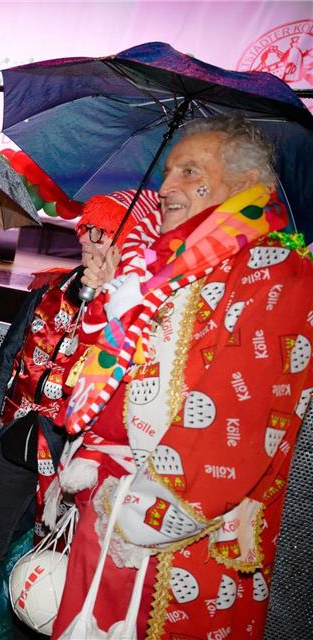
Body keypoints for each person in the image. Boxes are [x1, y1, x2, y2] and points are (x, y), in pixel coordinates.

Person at [49, 116, 313, 639]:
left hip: (178, 537)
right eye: (167, 172)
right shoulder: (159, 269)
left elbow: (236, 422)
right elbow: (95, 379)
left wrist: (141, 512)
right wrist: (103, 299)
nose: (165, 188)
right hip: (105, 504)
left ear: (243, 187)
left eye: (189, 172)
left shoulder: (279, 272)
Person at [0, 190, 157, 640]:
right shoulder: (52, 286)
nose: (90, 242)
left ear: (130, 242)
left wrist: (109, 300)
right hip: (18, 431)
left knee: (59, 553)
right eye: (88, 230)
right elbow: (10, 354)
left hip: (77, 452)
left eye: (105, 234)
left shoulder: (137, 310)